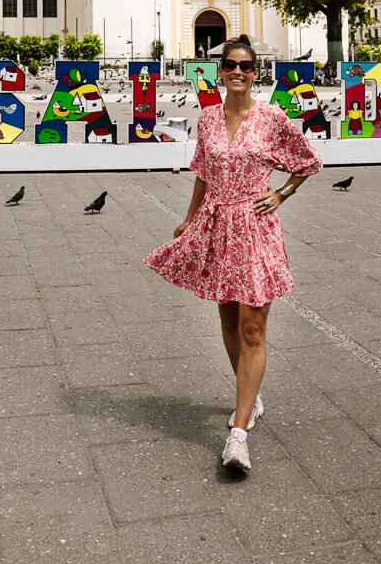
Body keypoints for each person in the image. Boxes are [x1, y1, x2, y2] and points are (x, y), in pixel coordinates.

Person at [144, 34, 322, 471]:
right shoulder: (206, 119)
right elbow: (203, 173)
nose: (238, 71)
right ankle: (250, 396)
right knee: (227, 318)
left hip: (256, 227)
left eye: (245, 65)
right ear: (220, 71)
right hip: (217, 224)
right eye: (230, 65)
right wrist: (189, 218)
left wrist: (281, 194)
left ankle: (237, 436)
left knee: (252, 328)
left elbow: (307, 162)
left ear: (255, 72)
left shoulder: (271, 118)